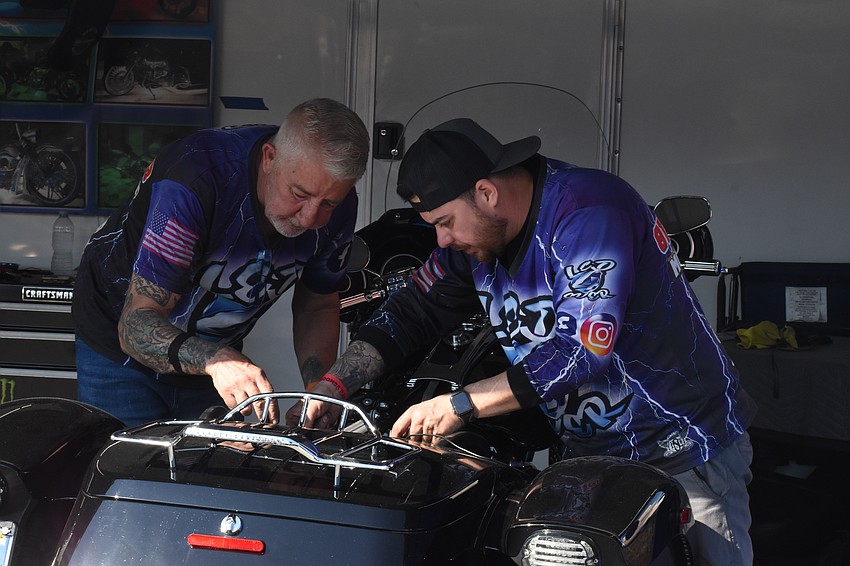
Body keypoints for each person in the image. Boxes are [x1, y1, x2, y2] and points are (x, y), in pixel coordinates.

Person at [294, 118, 757, 565]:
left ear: (487, 192)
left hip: (683, 447)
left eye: (445, 221)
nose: (442, 238)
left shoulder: (588, 210)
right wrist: (334, 385)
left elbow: (581, 350)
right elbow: (412, 311)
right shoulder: (475, 239)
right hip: (586, 456)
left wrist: (459, 404)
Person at [73, 97, 370, 426]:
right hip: (119, 345)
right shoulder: (194, 180)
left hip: (215, 355)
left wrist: (317, 390)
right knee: (127, 468)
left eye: (328, 202)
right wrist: (217, 360)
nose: (311, 217)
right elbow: (135, 327)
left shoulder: (338, 205)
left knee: (210, 472)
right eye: (299, 194)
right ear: (269, 158)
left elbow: (317, 305)